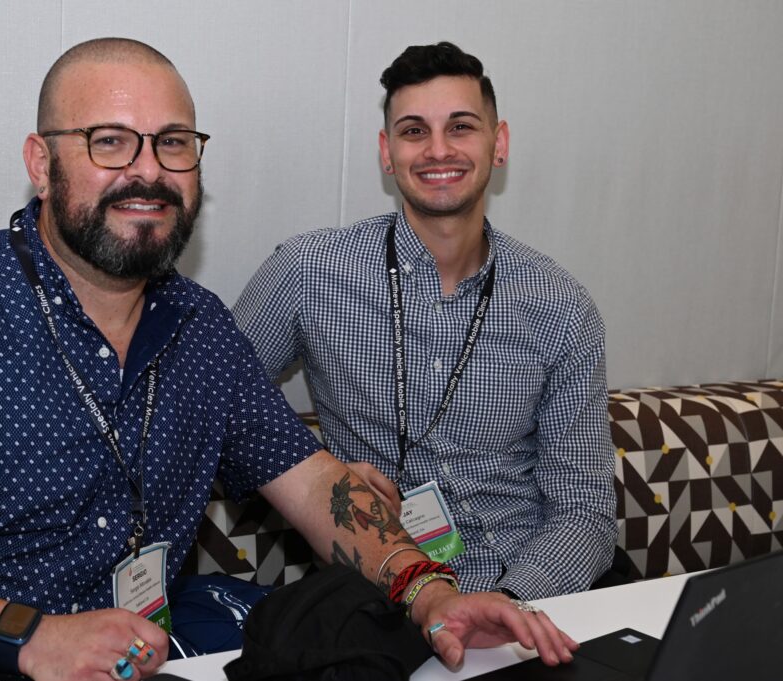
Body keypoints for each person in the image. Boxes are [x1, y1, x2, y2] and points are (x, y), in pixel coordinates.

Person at [0, 38, 577, 680]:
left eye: (173, 142)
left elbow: (319, 487)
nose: (147, 169)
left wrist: (432, 593)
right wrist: (32, 639)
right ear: (42, 164)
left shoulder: (200, 330)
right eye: (110, 141)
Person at [234, 41, 618, 601]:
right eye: (414, 131)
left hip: (530, 589)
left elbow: (583, 509)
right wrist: (321, 478)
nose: (439, 150)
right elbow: (212, 405)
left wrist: (505, 606)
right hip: (380, 589)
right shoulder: (307, 274)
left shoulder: (560, 305)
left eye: (461, 127)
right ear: (387, 153)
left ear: (499, 142)